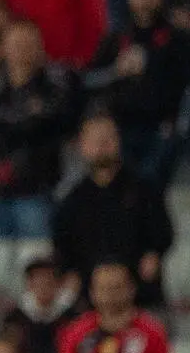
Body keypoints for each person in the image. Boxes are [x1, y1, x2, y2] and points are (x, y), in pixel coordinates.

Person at [0, 19, 80, 240]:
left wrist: (12, 126)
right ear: (4, 48)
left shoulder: (58, 85)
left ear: (40, 47)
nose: (23, 52)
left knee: (38, 259)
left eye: (29, 45)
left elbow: (57, 124)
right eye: (17, 45)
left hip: (38, 189)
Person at [86, 0, 190, 179]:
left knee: (149, 185)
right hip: (122, 128)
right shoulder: (116, 38)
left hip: (164, 130)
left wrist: (178, 122)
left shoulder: (178, 39)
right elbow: (88, 81)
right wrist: (116, 70)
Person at [51, 113, 172, 307]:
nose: (102, 145)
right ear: (82, 145)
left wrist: (154, 254)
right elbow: (62, 246)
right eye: (95, 140)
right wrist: (70, 272)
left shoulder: (144, 190)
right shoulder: (72, 200)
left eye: (108, 138)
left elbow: (163, 234)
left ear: (118, 141)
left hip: (141, 297)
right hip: (90, 302)